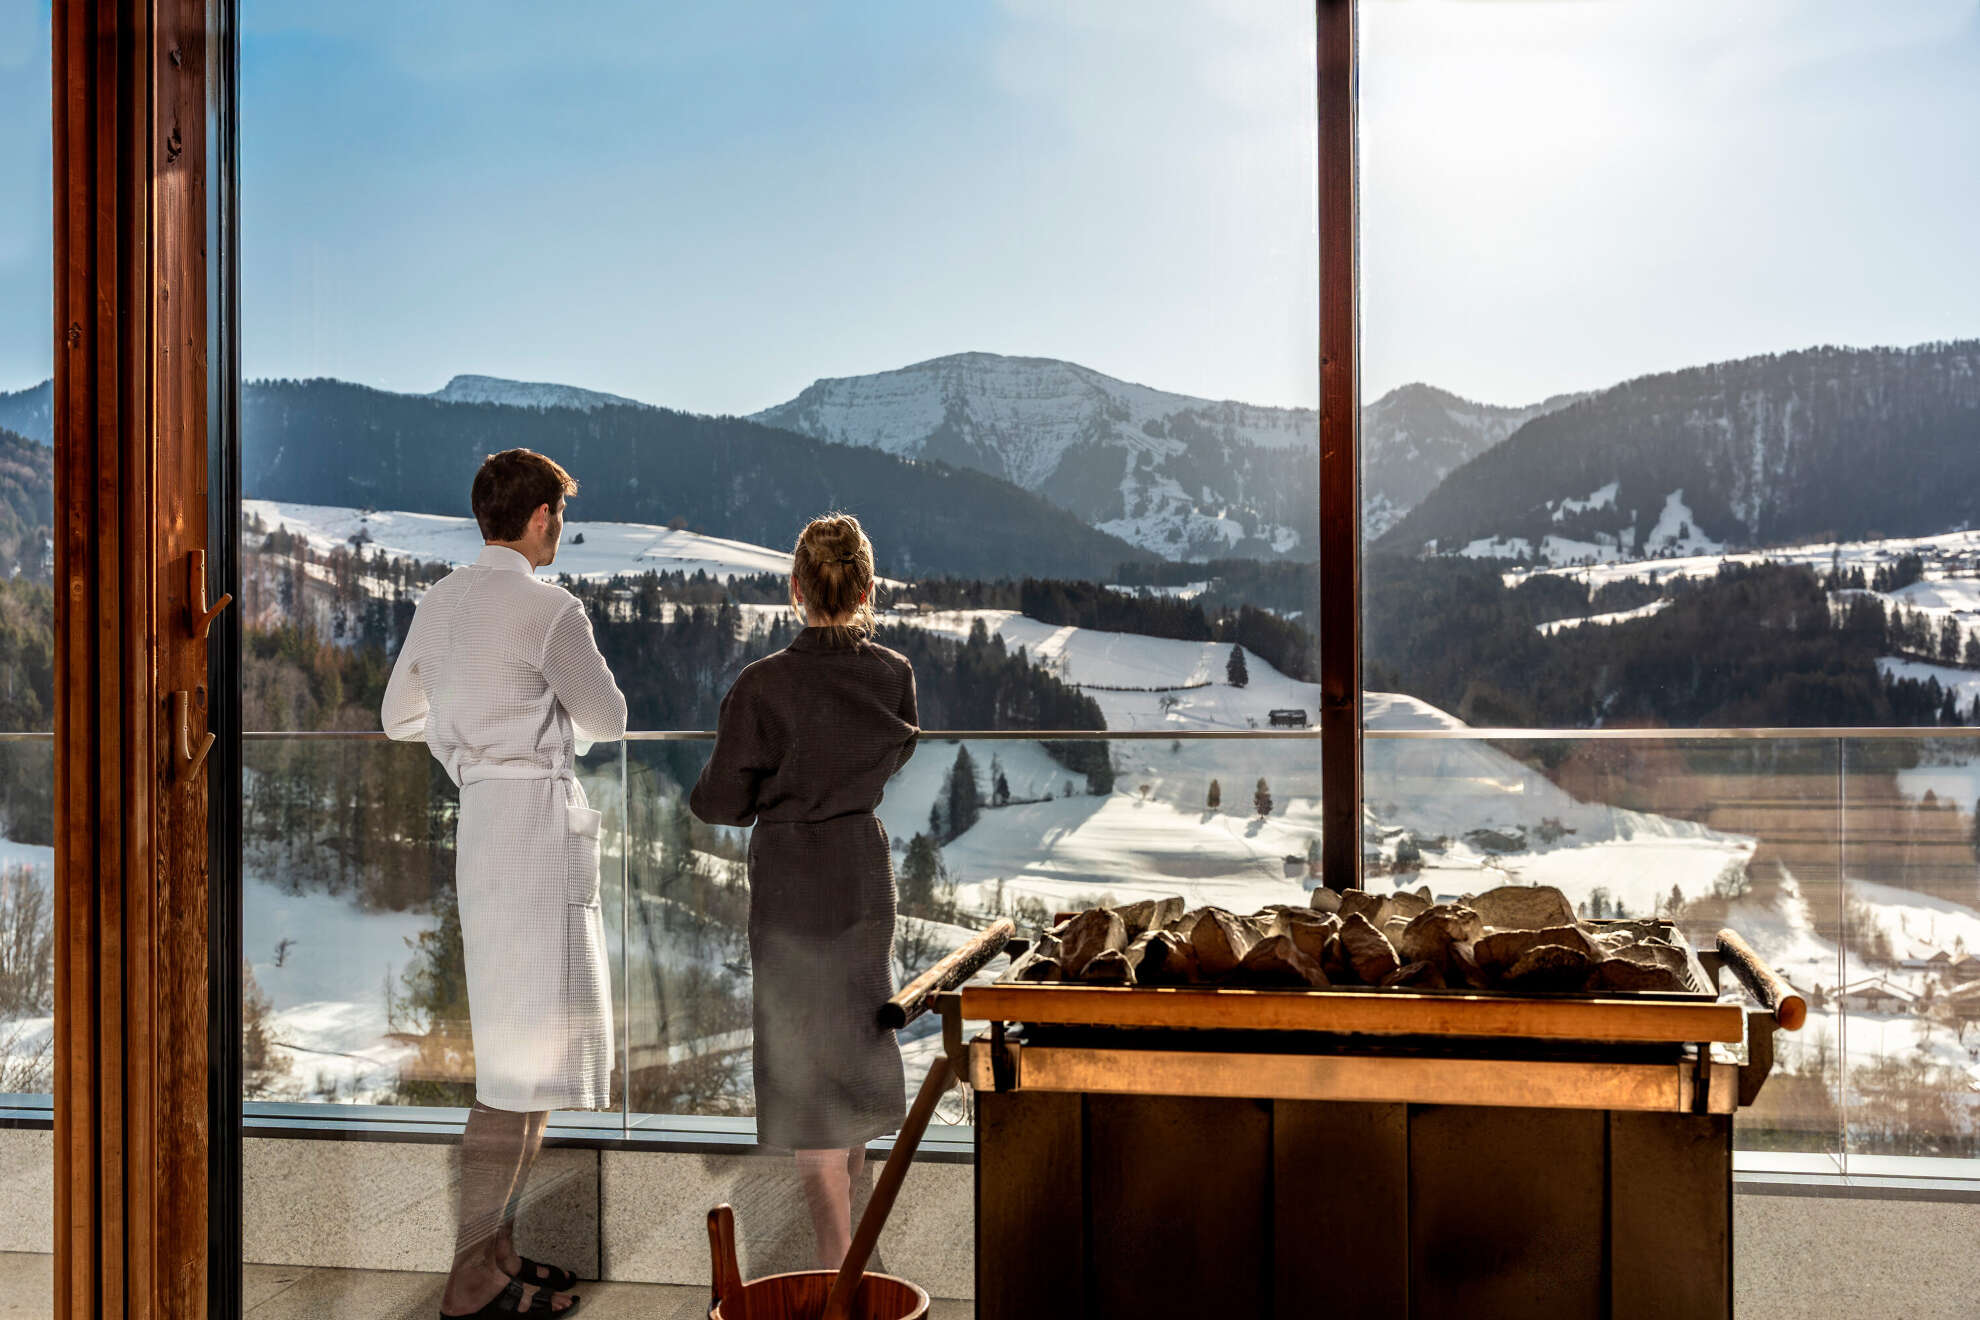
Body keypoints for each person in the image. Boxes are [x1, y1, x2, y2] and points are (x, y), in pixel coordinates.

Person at [382, 448, 627, 1318]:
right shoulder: (550, 610)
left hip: (482, 830)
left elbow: (397, 715)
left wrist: (468, 736)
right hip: (536, 833)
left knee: (516, 1056)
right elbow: (607, 717)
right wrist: (540, 722)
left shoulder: (441, 603)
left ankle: (499, 1253)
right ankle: (470, 1276)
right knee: (520, 1071)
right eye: (559, 512)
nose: (561, 526)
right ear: (539, 518)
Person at [690, 512, 919, 1269]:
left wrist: (773, 790)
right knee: (848, 1063)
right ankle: (851, 1263)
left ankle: (837, 1280)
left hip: (791, 884)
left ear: (794, 589)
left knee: (809, 1083)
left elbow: (721, 801)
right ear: (867, 590)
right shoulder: (893, 675)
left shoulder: (763, 686)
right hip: (861, 874)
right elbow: (888, 758)